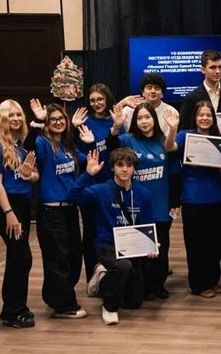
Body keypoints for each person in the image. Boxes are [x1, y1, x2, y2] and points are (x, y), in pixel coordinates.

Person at [65, 148, 157, 325]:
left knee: (133, 302)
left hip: (133, 246)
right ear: (113, 168)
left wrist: (151, 246)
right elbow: (71, 197)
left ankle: (102, 277)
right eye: (120, 165)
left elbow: (148, 223)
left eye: (129, 165)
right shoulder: (101, 190)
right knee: (123, 266)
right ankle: (110, 308)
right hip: (107, 245)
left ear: (134, 168)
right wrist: (88, 174)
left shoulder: (143, 194)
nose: (125, 169)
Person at [107, 102, 177, 299]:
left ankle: (158, 285)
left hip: (161, 204)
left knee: (161, 247)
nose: (144, 121)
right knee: (139, 247)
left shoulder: (164, 141)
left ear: (154, 119)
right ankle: (141, 286)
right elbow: (111, 147)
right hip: (135, 204)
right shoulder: (128, 139)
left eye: (147, 117)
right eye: (139, 118)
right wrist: (116, 127)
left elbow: (174, 173)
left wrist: (175, 202)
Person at [30, 101, 94, 319]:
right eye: (52, 119)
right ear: (47, 123)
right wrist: (37, 121)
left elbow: (90, 163)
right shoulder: (43, 143)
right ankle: (64, 305)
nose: (57, 122)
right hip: (51, 211)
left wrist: (90, 144)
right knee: (58, 258)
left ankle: (55, 296)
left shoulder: (68, 146)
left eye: (61, 119)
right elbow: (30, 148)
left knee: (74, 256)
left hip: (70, 210)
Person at [0, 100, 39, 328]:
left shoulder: (22, 145)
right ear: (2, 118)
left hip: (23, 204)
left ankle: (15, 307)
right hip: (6, 207)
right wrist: (9, 212)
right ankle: (13, 310)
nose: (16, 118)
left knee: (19, 256)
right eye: (11, 115)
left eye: (19, 114)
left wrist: (28, 174)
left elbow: (34, 176)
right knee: (21, 256)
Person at [174, 101, 221, 298]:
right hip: (192, 197)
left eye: (208, 115)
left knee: (214, 242)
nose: (205, 118)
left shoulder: (218, 139)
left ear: (213, 118)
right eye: (201, 115)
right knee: (196, 244)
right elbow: (170, 147)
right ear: (195, 117)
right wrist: (172, 129)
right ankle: (198, 285)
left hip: (215, 196)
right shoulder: (184, 135)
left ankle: (212, 280)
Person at [71, 83, 123, 282]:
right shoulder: (84, 122)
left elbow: (121, 150)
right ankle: (93, 277)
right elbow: (74, 152)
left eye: (100, 99)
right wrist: (89, 160)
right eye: (92, 100)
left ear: (107, 99)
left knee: (113, 229)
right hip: (91, 185)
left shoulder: (116, 121)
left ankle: (115, 274)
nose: (96, 103)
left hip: (113, 184)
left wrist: (116, 127)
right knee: (91, 232)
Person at [178, 49, 221, 129]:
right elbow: (184, 128)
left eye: (220, 67)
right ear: (203, 70)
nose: (217, 71)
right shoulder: (191, 97)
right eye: (213, 67)